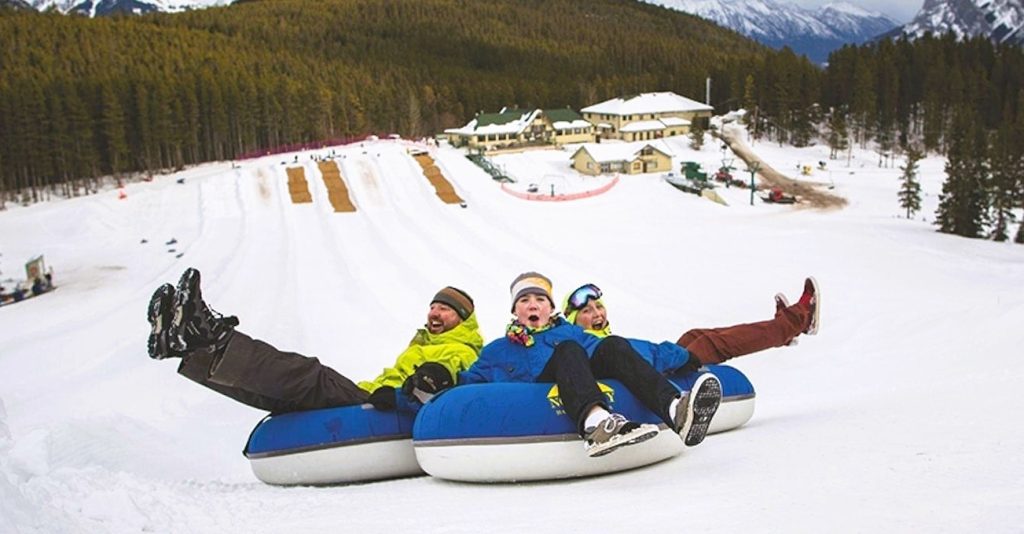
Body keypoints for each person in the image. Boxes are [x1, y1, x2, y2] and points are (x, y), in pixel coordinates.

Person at [146, 268, 483, 414]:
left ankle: (210, 336)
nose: (436, 314)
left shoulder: (463, 349)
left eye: (446, 310)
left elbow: (450, 373)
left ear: (463, 319)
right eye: (433, 307)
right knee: (284, 396)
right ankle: (188, 347)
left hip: (391, 406)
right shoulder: (420, 344)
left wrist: (429, 377)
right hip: (379, 397)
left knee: (310, 376)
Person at [459, 272, 722, 458]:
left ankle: (676, 410)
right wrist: (440, 379)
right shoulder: (498, 350)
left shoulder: (570, 333)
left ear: (550, 308)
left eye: (540, 300)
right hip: (540, 395)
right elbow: (469, 383)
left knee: (612, 343)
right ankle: (597, 425)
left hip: (577, 377)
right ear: (515, 310)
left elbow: (623, 353)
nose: (533, 305)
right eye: (524, 300)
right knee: (569, 350)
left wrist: (685, 357)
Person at [561, 278, 820, 373]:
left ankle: (781, 331)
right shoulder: (579, 346)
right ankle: (799, 319)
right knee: (713, 344)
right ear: (574, 322)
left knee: (694, 335)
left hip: (657, 364)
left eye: (598, 306)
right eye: (586, 311)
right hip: (656, 376)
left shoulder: (599, 339)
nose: (596, 313)